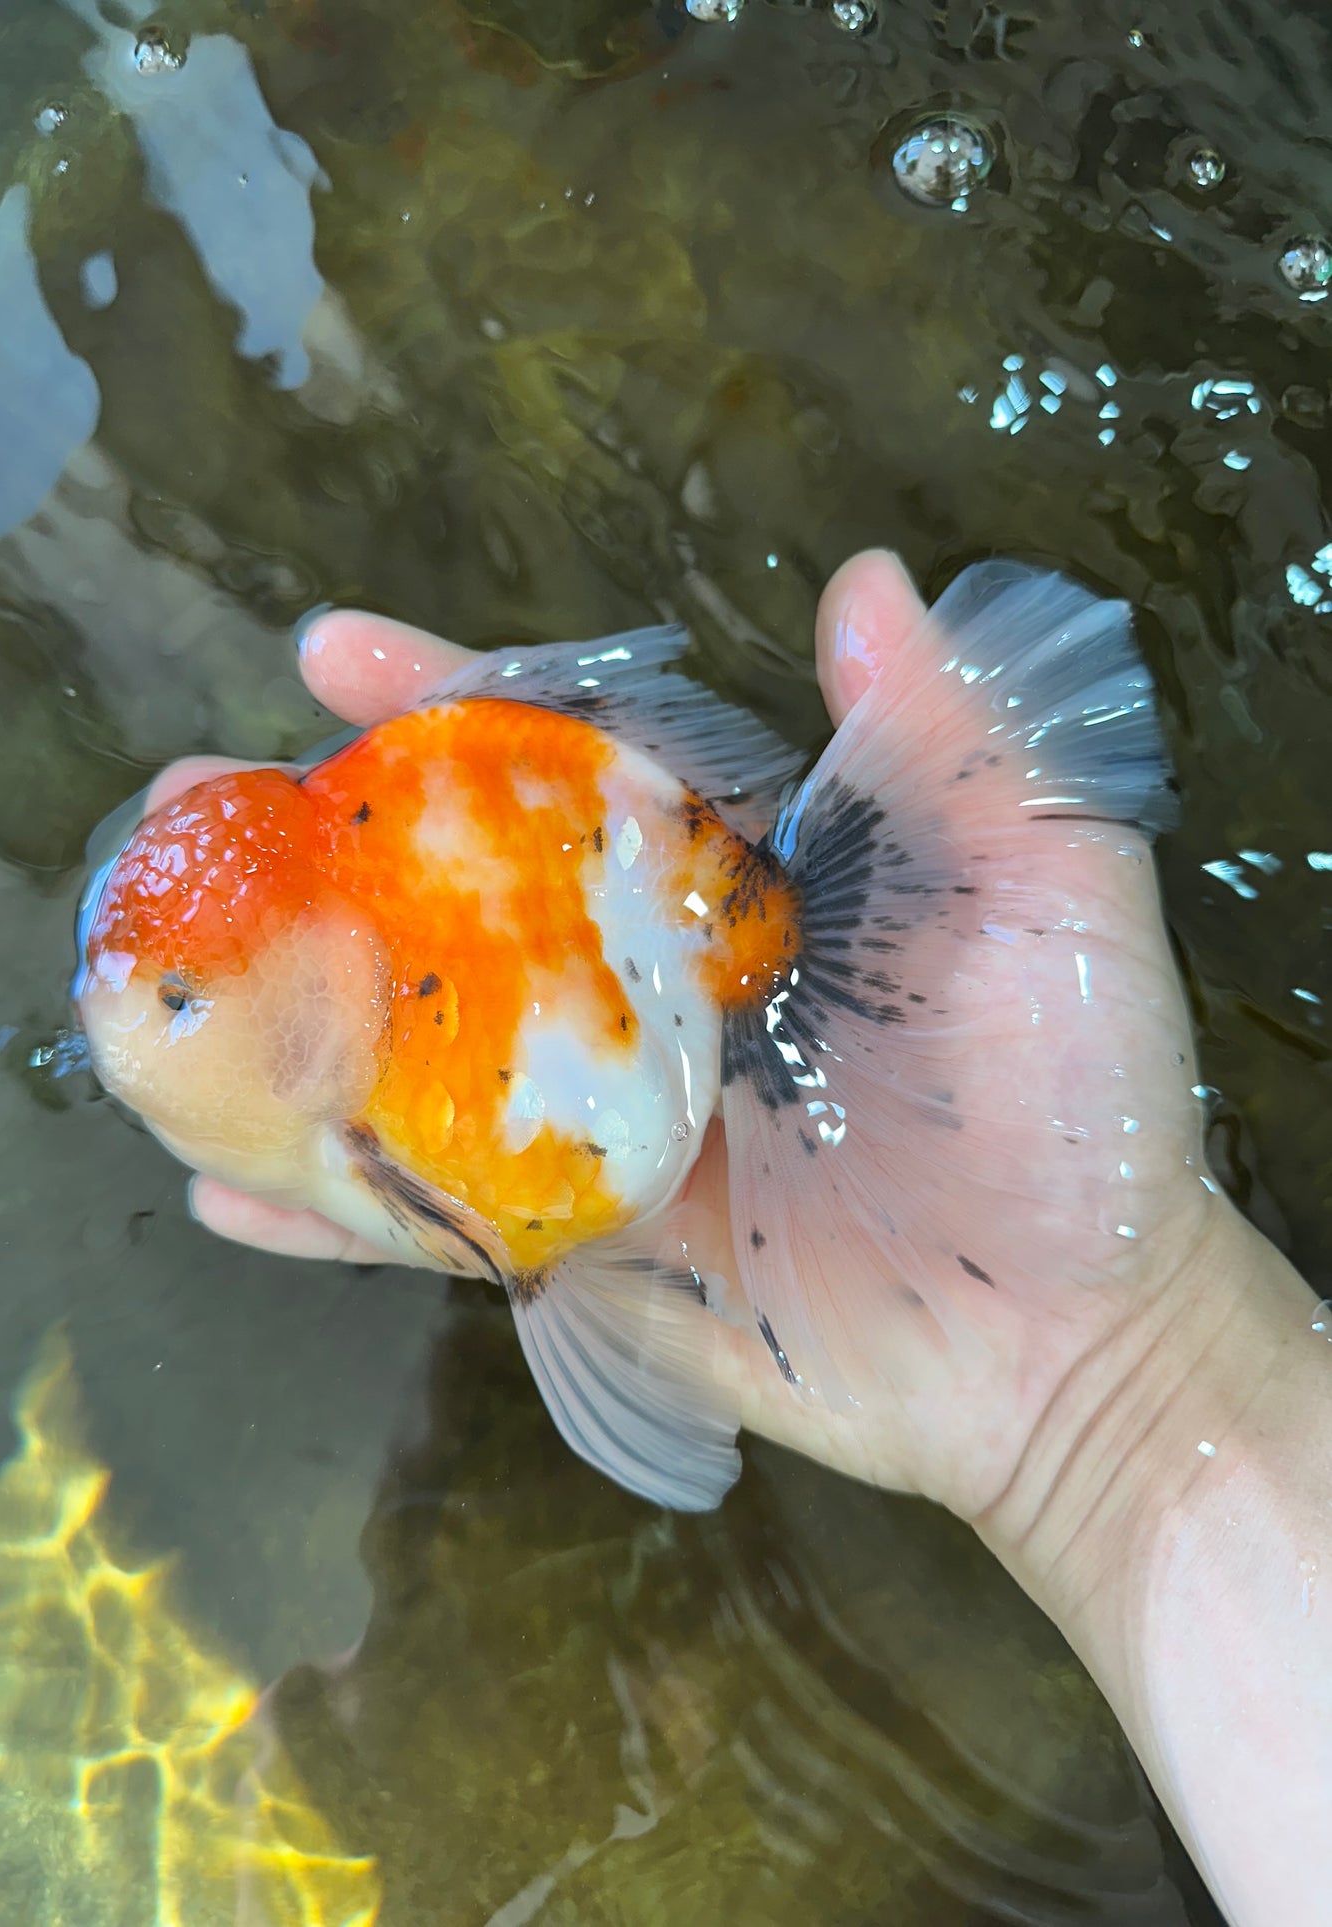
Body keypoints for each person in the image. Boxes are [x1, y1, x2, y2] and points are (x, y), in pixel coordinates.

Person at [147, 550, 1331, 1927]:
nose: (127, 1014)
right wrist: (1132, 1383)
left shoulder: (371, 1111)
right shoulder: (344, 1040)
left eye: (175, 996)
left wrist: (1125, 1370)